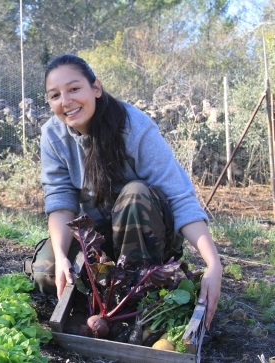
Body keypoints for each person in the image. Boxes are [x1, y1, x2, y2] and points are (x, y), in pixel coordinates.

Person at [24, 54, 222, 329]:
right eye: (55, 95)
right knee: (46, 271)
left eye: (74, 89)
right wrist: (60, 256)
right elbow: (60, 201)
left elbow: (179, 197)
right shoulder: (53, 135)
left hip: (146, 236)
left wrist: (213, 263)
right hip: (98, 240)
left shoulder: (133, 126)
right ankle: (97, 309)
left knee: (135, 194)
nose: (65, 101)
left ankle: (141, 295)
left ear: (96, 88)